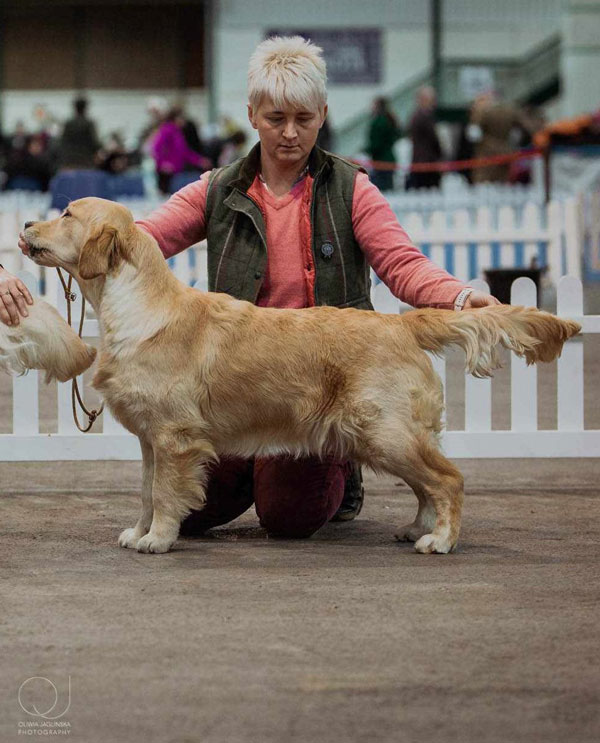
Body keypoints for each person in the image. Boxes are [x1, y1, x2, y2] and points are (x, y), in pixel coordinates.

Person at [2, 36, 500, 538]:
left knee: (288, 516)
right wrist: (66, 246)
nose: (289, 133)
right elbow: (139, 239)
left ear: (323, 114)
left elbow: (401, 262)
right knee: (191, 507)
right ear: (252, 114)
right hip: (237, 382)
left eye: (303, 119)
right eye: (275, 117)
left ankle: (338, 473)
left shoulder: (352, 189)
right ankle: (248, 470)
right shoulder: (217, 188)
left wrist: (459, 298)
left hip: (315, 376)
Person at [150, 106, 209, 193]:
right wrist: (162, 163)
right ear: (175, 118)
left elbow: (185, 152)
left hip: (176, 171)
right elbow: (156, 148)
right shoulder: (167, 130)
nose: (184, 121)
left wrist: (199, 160)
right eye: (181, 118)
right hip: (166, 173)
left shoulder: (178, 132)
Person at [406, 86, 443, 190]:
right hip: (427, 164)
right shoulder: (424, 116)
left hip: (421, 162)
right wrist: (440, 155)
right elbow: (434, 140)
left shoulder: (416, 116)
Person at [365, 96, 401, 192]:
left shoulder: (378, 122)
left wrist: (365, 150)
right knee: (389, 189)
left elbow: (376, 144)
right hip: (389, 159)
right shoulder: (389, 119)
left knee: (380, 191)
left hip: (381, 161)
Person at [56, 97, 101, 170]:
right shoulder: (89, 123)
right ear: (85, 108)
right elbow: (95, 143)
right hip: (86, 161)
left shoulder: (68, 123)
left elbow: (62, 142)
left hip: (69, 161)